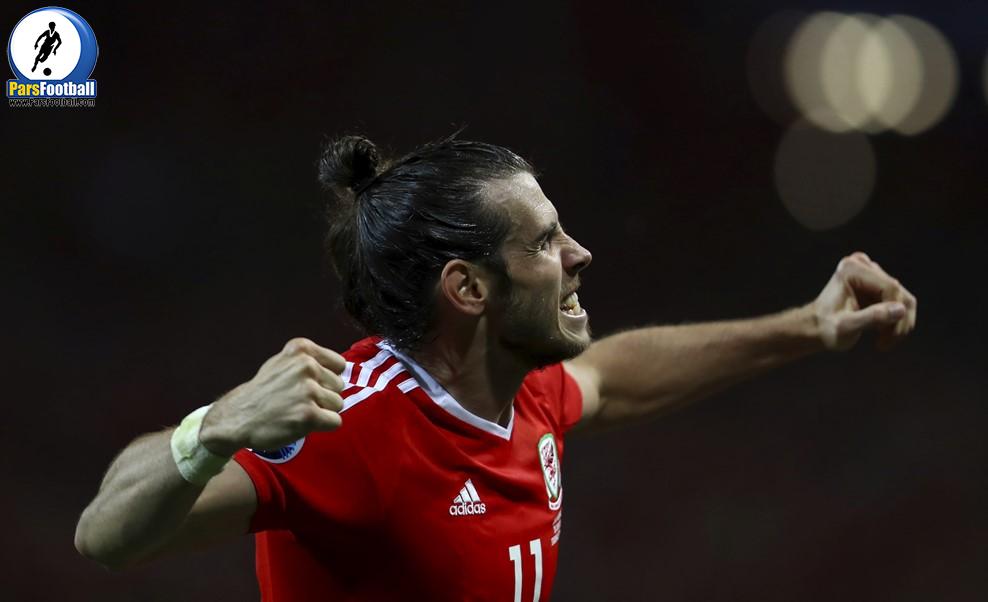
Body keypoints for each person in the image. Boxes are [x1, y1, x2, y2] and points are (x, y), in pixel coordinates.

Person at [74, 135, 917, 601]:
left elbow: (613, 378)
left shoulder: (521, 384)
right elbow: (104, 535)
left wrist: (808, 327)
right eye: (545, 242)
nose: (580, 254)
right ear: (469, 288)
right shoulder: (352, 428)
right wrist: (214, 428)